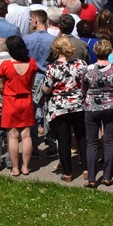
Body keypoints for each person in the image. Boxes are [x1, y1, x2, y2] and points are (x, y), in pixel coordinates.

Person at [43, 35, 86, 182]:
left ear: (57, 49)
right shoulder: (81, 64)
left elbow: (46, 90)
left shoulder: (52, 67)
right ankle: (86, 169)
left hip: (60, 107)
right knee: (81, 137)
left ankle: (68, 173)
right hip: (78, 104)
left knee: (64, 140)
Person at [81, 39, 113, 187]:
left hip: (92, 107)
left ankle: (91, 178)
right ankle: (107, 176)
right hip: (111, 106)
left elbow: (83, 88)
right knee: (109, 140)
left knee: (92, 142)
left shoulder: (89, 68)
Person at [0, 35, 38, 176]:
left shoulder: (6, 65)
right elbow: (31, 83)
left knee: (12, 136)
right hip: (26, 100)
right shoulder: (32, 63)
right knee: (26, 136)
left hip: (10, 101)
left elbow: (1, 86)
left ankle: (15, 168)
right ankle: (26, 167)